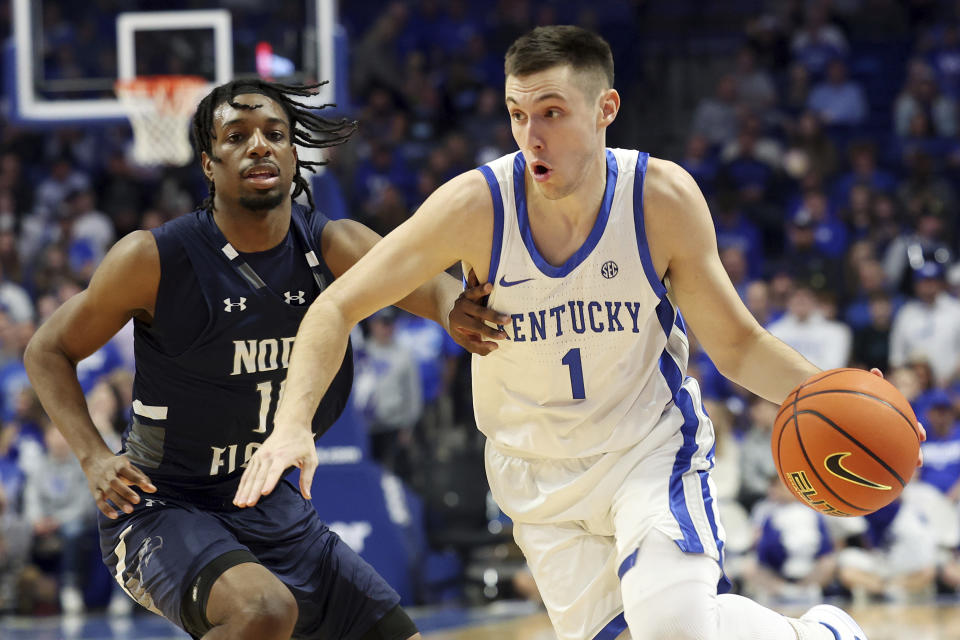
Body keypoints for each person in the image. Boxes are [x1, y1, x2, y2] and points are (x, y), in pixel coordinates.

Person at [236, 27, 924, 640]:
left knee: (674, 628)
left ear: (606, 111)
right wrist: (292, 425)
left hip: (646, 450)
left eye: (552, 114)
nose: (531, 135)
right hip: (534, 474)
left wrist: (843, 394)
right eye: (517, 115)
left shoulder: (660, 200)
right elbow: (334, 308)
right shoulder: (475, 206)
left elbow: (738, 345)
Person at [24, 79, 504, 640]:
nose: (260, 146)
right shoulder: (153, 258)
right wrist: (92, 456)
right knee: (263, 612)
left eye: (275, 134)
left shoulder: (332, 245)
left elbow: (431, 288)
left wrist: (456, 310)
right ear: (208, 163)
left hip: (266, 501)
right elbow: (47, 349)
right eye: (237, 136)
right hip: (164, 506)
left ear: (294, 153)